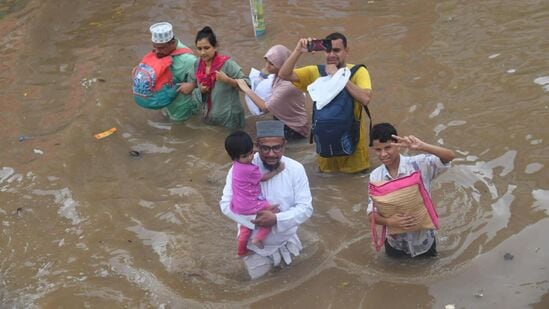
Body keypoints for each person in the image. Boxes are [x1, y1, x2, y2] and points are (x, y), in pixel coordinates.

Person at [220, 120, 313, 279]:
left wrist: (276, 219)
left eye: (276, 147)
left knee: (295, 283)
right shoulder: (240, 168)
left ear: (285, 145)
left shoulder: (295, 169)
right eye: (265, 148)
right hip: (254, 248)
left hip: (287, 240)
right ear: (257, 145)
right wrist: (255, 220)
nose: (271, 154)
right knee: (260, 287)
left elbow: (306, 208)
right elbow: (225, 205)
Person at [278, 33, 373, 173]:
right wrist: (298, 51)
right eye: (328, 50)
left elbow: (365, 98)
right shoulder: (315, 72)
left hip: (354, 152)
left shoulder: (358, 72)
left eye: (337, 50)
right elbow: (283, 74)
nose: (331, 55)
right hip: (325, 151)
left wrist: (339, 76)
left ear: (347, 51)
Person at [367, 123, 455, 258]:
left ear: (397, 144)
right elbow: (371, 214)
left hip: (424, 242)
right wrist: (389, 222)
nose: (383, 154)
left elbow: (449, 156)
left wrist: (422, 146)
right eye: (378, 150)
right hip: (395, 244)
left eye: (388, 147)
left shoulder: (418, 164)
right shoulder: (375, 176)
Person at [224, 130, 285, 256]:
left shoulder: (235, 167)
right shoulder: (250, 169)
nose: (251, 157)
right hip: (251, 204)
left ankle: (241, 251)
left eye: (251, 153)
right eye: (245, 156)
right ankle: (258, 238)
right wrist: (278, 170)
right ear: (235, 157)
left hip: (238, 206)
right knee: (273, 215)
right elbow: (263, 178)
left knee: (245, 229)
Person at [237, 45, 310, 140]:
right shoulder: (281, 75)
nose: (267, 66)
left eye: (271, 64)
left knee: (260, 141)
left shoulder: (287, 85)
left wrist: (246, 89)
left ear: (282, 65)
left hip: (294, 128)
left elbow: (265, 107)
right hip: (283, 118)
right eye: (266, 61)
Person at [133, 22, 199, 121]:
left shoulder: (188, 60)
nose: (157, 52)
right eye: (154, 47)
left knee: (179, 131)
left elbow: (208, 77)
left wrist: (193, 85)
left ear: (172, 43)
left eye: (161, 48)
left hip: (181, 107)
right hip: (166, 101)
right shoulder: (161, 53)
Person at [192, 26, 249, 129]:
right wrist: (201, 90)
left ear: (215, 47)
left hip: (230, 119)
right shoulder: (198, 64)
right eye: (199, 49)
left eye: (206, 48)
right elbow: (196, 87)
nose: (202, 52)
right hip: (210, 117)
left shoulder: (227, 64)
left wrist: (228, 80)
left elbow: (247, 84)